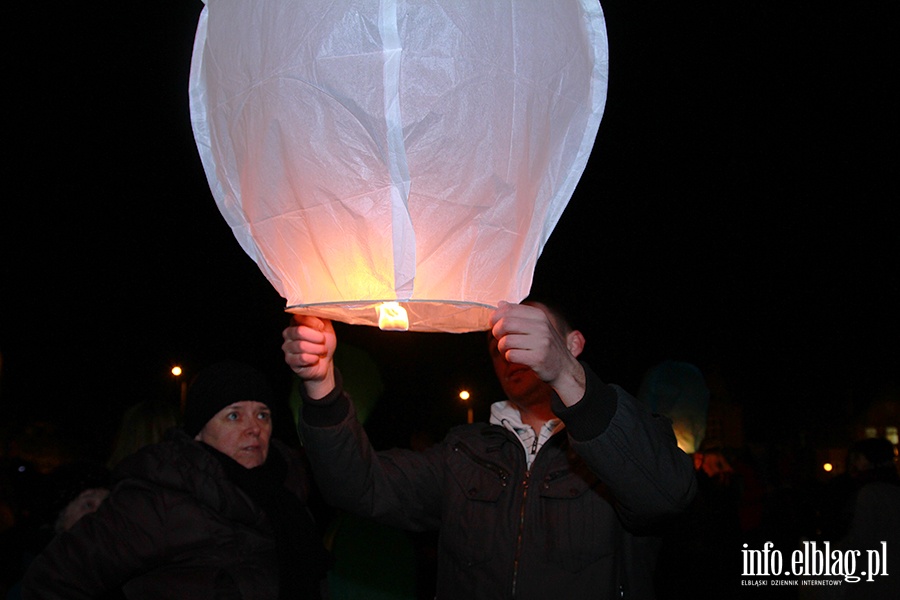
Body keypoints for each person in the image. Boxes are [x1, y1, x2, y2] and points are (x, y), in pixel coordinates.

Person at [282, 300, 697, 599]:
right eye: (499, 342)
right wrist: (321, 387)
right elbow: (358, 486)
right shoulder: (465, 451)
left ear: (573, 344)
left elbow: (668, 494)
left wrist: (569, 379)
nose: (509, 352)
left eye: (529, 336)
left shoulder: (621, 439)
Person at [22, 361, 331, 600]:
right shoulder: (161, 497)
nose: (254, 428)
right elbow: (54, 578)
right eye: (234, 416)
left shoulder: (289, 487)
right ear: (199, 430)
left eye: (263, 415)